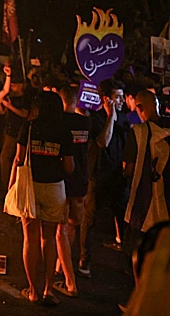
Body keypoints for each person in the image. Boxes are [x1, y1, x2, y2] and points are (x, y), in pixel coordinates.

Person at [10, 91, 74, 306]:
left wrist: (11, 186)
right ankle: (48, 290)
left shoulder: (29, 127)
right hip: (55, 188)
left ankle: (33, 291)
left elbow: (19, 159)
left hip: (31, 188)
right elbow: (69, 166)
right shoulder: (64, 131)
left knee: (30, 238)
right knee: (49, 239)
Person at [123, 90, 170, 273]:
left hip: (142, 202)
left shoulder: (137, 133)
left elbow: (128, 169)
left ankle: (141, 296)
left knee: (140, 253)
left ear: (139, 108)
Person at [79, 78, 127, 278]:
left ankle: (126, 261)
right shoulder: (95, 119)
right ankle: (84, 259)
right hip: (98, 175)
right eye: (118, 98)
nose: (122, 101)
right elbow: (103, 142)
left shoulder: (123, 119)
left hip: (117, 176)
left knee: (123, 217)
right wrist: (110, 117)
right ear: (107, 100)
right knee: (90, 219)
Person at [53, 84, 92, 298]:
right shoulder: (85, 121)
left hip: (63, 179)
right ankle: (61, 262)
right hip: (81, 179)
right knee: (73, 224)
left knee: (60, 230)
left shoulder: (59, 122)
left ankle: (70, 282)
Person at [0, 65, 31, 191]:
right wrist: (2, 104)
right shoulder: (10, 97)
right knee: (5, 158)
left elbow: (24, 114)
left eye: (14, 84)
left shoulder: (26, 99)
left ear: (21, 85)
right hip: (9, 130)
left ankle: (15, 185)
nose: (12, 86)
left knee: (15, 158)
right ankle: (6, 185)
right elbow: (2, 111)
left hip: (20, 130)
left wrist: (9, 106)